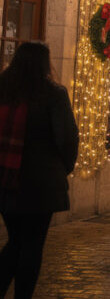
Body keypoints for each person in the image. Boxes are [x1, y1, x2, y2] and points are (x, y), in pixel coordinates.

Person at [0, 42, 78, 299]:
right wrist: (61, 169)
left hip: (6, 178)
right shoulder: (53, 93)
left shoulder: (3, 88)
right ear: (45, 63)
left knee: (16, 240)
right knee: (31, 243)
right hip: (41, 183)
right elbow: (66, 138)